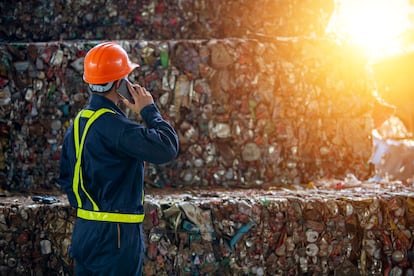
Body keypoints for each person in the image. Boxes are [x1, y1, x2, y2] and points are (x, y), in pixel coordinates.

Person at [58, 42, 179, 275]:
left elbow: (66, 177)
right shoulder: (117, 127)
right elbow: (167, 147)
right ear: (119, 83)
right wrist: (148, 110)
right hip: (117, 237)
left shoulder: (79, 122)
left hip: (85, 231)